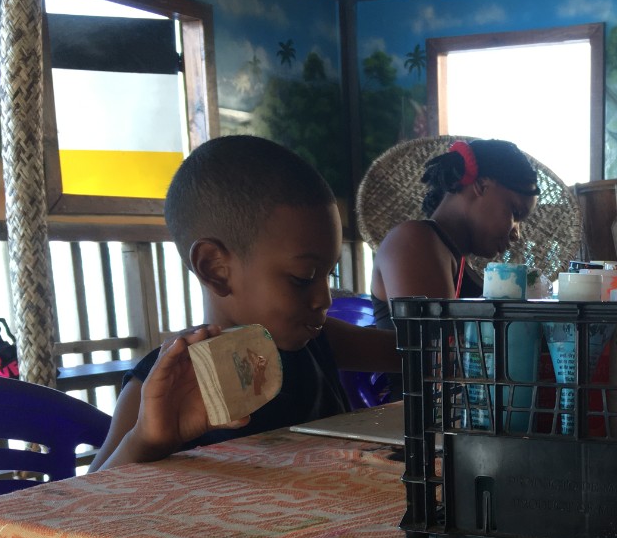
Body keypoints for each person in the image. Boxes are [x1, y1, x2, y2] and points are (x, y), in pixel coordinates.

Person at [88, 135, 399, 472]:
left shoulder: (320, 341)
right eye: (302, 277)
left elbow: (417, 352)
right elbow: (80, 504)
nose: (324, 299)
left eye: (329, 275)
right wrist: (146, 440)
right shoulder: (165, 385)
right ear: (216, 269)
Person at [367, 138, 539, 330]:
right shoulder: (415, 240)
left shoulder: (459, 260)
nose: (517, 234)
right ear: (482, 186)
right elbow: (437, 349)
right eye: (515, 213)